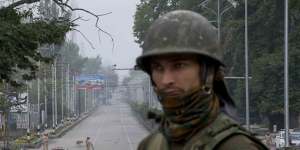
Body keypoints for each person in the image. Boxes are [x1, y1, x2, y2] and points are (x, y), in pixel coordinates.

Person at [135, 10, 268, 150]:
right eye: (158, 68)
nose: (166, 80)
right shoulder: (150, 145)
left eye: (178, 65)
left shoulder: (236, 146)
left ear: (208, 72)